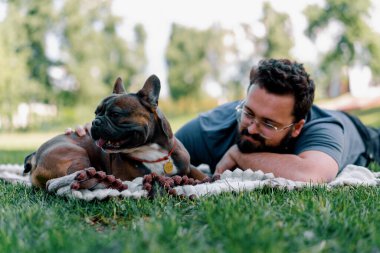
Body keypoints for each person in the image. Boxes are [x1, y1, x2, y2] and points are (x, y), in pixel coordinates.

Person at [175, 58, 380, 183]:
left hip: (369, 141)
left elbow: (312, 174)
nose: (252, 129)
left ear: (297, 127)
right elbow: (162, 153)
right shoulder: (210, 128)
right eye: (248, 113)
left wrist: (239, 155)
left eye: (269, 123)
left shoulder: (324, 129)